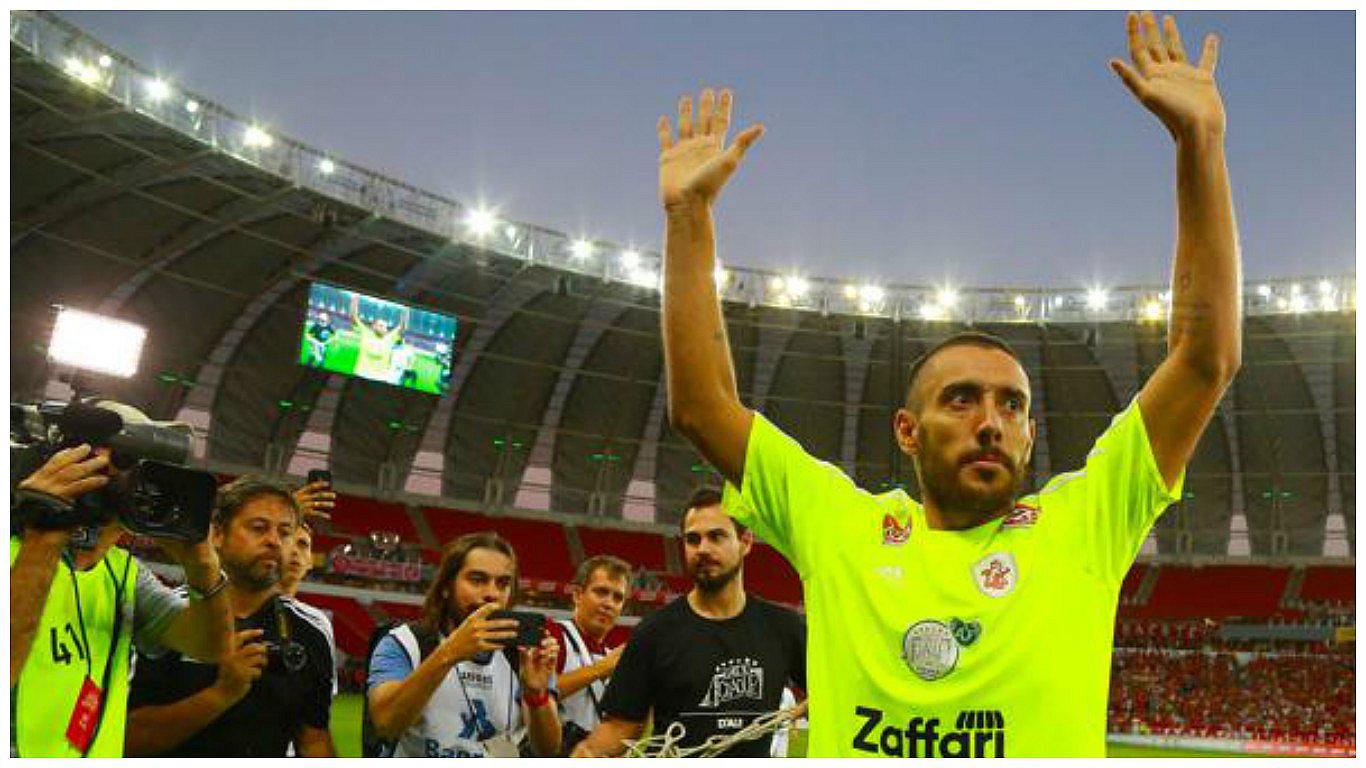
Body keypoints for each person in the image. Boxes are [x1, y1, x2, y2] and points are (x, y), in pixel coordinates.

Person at [654, 11, 1240, 757]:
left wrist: (1201, 144)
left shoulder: (1083, 525)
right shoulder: (844, 529)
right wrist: (687, 217)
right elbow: (702, 407)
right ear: (907, 429)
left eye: (1012, 405)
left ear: (1030, 437)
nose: (990, 420)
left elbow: (1203, 358)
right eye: (960, 399)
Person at [9, 402, 234, 758]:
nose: (139, 482)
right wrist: (46, 531)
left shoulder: (125, 574)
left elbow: (211, 647)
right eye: (125, 459)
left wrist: (203, 566)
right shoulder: (14, 550)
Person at [572, 489, 806, 757]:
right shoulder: (654, 632)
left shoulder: (784, 628)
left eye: (716, 536)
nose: (703, 549)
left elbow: (837, 694)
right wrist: (585, 754)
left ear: (746, 542)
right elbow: (618, 729)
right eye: (693, 540)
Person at [125, 477, 337, 757]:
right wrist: (221, 694)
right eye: (258, 528)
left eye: (285, 532)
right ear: (217, 535)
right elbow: (129, 739)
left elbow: (313, 739)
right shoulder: (169, 616)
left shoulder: (310, 633)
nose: (274, 541)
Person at [366, 532, 562, 757]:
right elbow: (385, 724)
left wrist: (537, 694)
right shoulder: (405, 643)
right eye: (477, 580)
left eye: (503, 583)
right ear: (446, 587)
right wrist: (449, 654)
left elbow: (548, 750)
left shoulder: (524, 654)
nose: (492, 594)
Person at [546, 555, 631, 754]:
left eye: (617, 597)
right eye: (601, 592)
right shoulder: (555, 633)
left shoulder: (612, 656)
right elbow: (533, 694)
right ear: (577, 595)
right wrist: (602, 668)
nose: (609, 603)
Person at [350, 293, 406, 381]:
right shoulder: (366, 332)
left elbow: (402, 326)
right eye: (381, 325)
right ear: (373, 326)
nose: (384, 328)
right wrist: (354, 300)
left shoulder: (390, 337)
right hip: (361, 374)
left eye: (385, 327)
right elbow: (354, 317)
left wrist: (406, 310)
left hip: (380, 377)